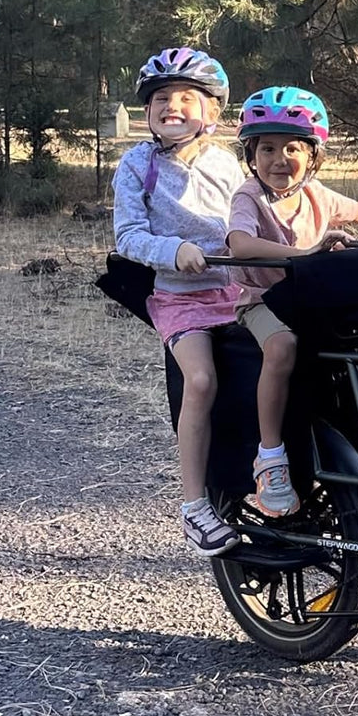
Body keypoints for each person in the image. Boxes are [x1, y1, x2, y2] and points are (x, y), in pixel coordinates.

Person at [112, 47, 246, 558]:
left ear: (211, 112)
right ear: (147, 111)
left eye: (187, 97)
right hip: (180, 298)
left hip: (236, 292)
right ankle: (194, 505)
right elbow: (127, 235)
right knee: (202, 379)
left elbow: (249, 220)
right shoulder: (137, 164)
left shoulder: (225, 163)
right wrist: (174, 251)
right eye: (162, 98)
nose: (173, 106)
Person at [226, 86, 358, 518]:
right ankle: (271, 456)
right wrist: (306, 256)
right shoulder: (249, 198)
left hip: (309, 300)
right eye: (267, 148)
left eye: (292, 147)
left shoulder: (317, 195)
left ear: (313, 155)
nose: (279, 159)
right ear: (251, 156)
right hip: (260, 300)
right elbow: (238, 244)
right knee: (282, 347)